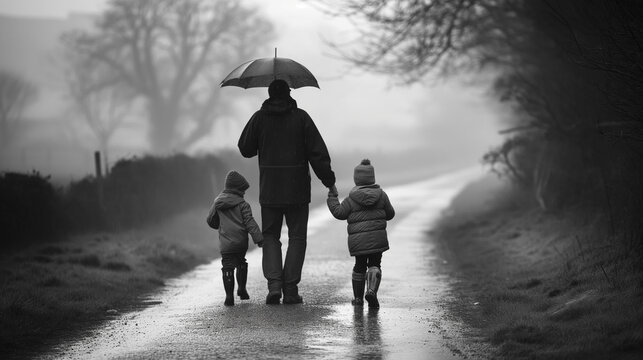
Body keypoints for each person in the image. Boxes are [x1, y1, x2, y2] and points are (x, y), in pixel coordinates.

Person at [238, 79, 337, 305]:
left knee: (271, 236)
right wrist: (329, 181)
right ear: (290, 93)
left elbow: (245, 148)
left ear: (269, 94)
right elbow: (317, 154)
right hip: (297, 190)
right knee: (297, 238)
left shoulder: (259, 118)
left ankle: (274, 286)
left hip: (270, 189)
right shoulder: (301, 118)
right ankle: (290, 290)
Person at [326, 159, 395, 308]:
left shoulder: (351, 199)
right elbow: (390, 214)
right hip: (378, 240)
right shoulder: (381, 195)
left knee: (359, 266)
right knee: (375, 264)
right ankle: (371, 291)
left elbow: (339, 213)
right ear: (372, 178)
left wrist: (332, 198)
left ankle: (358, 299)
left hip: (359, 242)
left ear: (356, 179)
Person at [207, 170, 263, 306]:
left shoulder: (218, 203)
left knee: (227, 267)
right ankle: (242, 289)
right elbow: (250, 223)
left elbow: (210, 220)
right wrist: (259, 239)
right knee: (241, 262)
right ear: (237, 190)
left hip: (226, 244)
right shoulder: (243, 205)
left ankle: (229, 296)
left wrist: (220, 226)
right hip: (240, 243)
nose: (244, 193)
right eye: (243, 191)